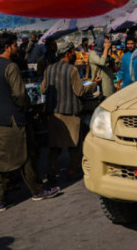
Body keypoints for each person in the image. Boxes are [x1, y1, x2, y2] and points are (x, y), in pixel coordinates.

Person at [0, 32, 60, 212]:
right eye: (14, 45)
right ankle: (37, 191)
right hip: (14, 121)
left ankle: (0, 200)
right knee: (27, 155)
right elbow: (19, 94)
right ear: (7, 47)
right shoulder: (10, 67)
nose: (17, 48)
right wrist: (26, 106)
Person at [41, 41, 100, 180]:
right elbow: (79, 91)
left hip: (54, 114)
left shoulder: (48, 69)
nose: (74, 54)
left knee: (55, 146)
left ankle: (52, 167)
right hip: (70, 113)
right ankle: (73, 170)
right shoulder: (72, 70)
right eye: (73, 52)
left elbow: (43, 89)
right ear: (68, 53)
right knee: (74, 145)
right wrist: (94, 85)